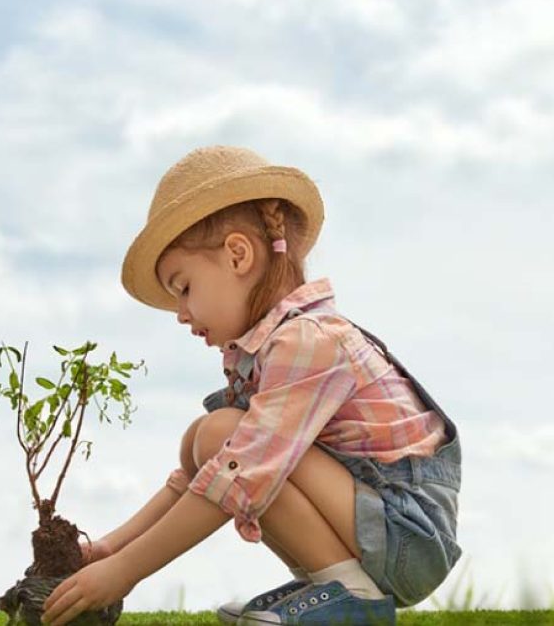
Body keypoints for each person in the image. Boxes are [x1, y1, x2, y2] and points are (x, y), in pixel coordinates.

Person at [42, 146, 461, 625]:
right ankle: (330, 588)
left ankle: (353, 599)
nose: (180, 314)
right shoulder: (269, 353)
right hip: (376, 525)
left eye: (183, 287)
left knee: (225, 437)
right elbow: (198, 479)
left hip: (408, 537)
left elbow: (239, 475)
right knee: (208, 437)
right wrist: (109, 548)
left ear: (238, 255)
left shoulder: (310, 341)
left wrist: (125, 572)